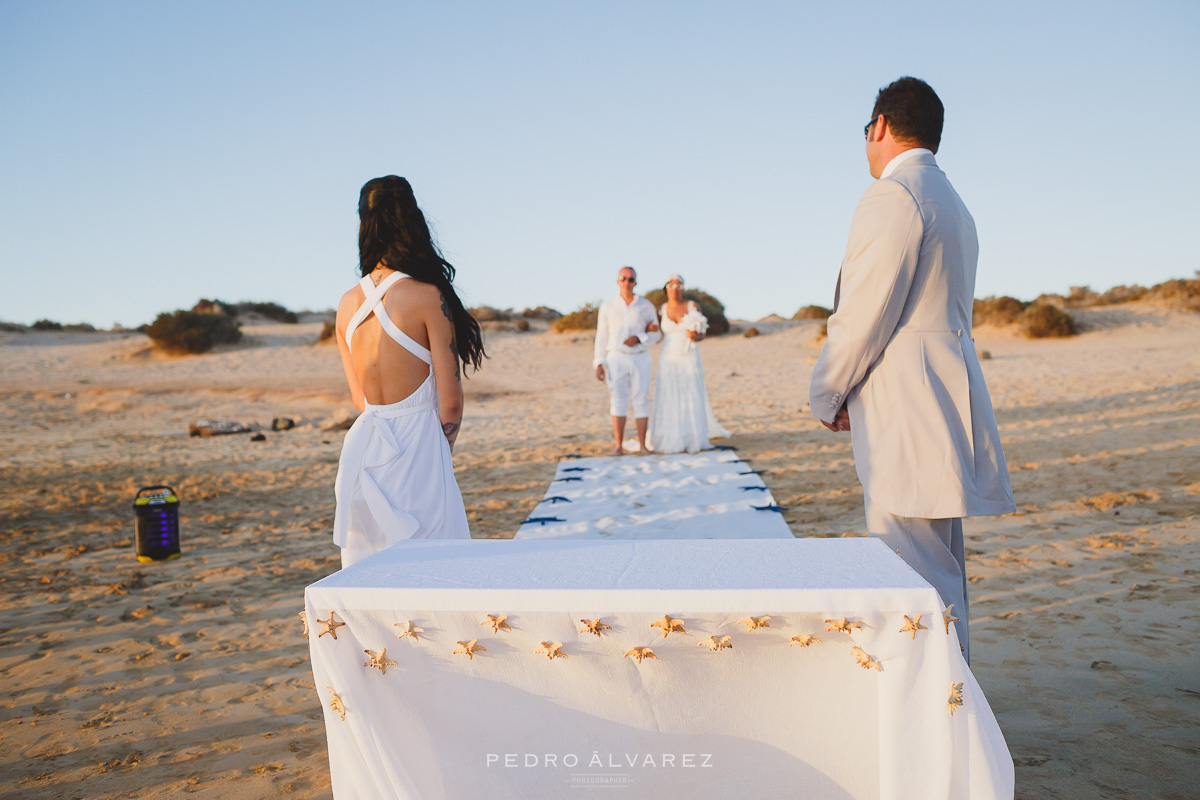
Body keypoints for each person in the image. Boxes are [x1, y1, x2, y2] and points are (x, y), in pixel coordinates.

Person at [808, 78, 1015, 661]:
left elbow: (865, 314)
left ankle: (938, 723)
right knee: (941, 573)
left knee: (912, 577)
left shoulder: (894, 196)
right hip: (946, 402)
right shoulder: (951, 200)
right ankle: (953, 711)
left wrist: (826, 393)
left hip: (908, 410)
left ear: (879, 125)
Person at [331, 176, 485, 568]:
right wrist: (440, 452)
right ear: (412, 220)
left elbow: (359, 399)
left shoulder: (347, 304)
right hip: (418, 447)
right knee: (436, 568)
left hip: (367, 450)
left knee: (374, 572)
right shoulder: (426, 296)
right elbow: (450, 404)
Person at [648, 274, 730, 453]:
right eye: (671, 285)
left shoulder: (692, 306)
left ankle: (692, 436)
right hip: (668, 356)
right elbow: (656, 334)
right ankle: (669, 434)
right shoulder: (660, 309)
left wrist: (696, 335)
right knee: (669, 391)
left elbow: (702, 333)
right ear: (666, 288)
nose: (675, 288)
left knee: (690, 390)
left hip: (689, 355)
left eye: (679, 285)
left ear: (683, 288)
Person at [593, 266, 661, 455]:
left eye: (631, 279)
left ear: (636, 282)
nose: (627, 282)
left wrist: (639, 337)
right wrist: (599, 362)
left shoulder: (645, 306)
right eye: (623, 278)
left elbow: (657, 334)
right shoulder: (607, 307)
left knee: (641, 399)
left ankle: (642, 445)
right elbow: (601, 336)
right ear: (617, 281)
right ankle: (618, 446)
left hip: (640, 358)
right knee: (618, 399)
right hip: (615, 357)